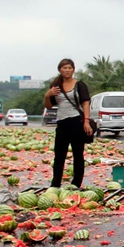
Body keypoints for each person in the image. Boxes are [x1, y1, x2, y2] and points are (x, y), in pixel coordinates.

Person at [44, 59, 92, 188]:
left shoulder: (79, 85)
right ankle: (55, 184)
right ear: (60, 69)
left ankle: (76, 183)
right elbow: (49, 106)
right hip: (62, 122)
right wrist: (47, 95)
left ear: (73, 70)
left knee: (78, 154)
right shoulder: (56, 86)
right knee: (59, 155)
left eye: (69, 68)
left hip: (77, 121)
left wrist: (86, 122)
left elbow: (86, 103)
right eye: (64, 68)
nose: (67, 70)